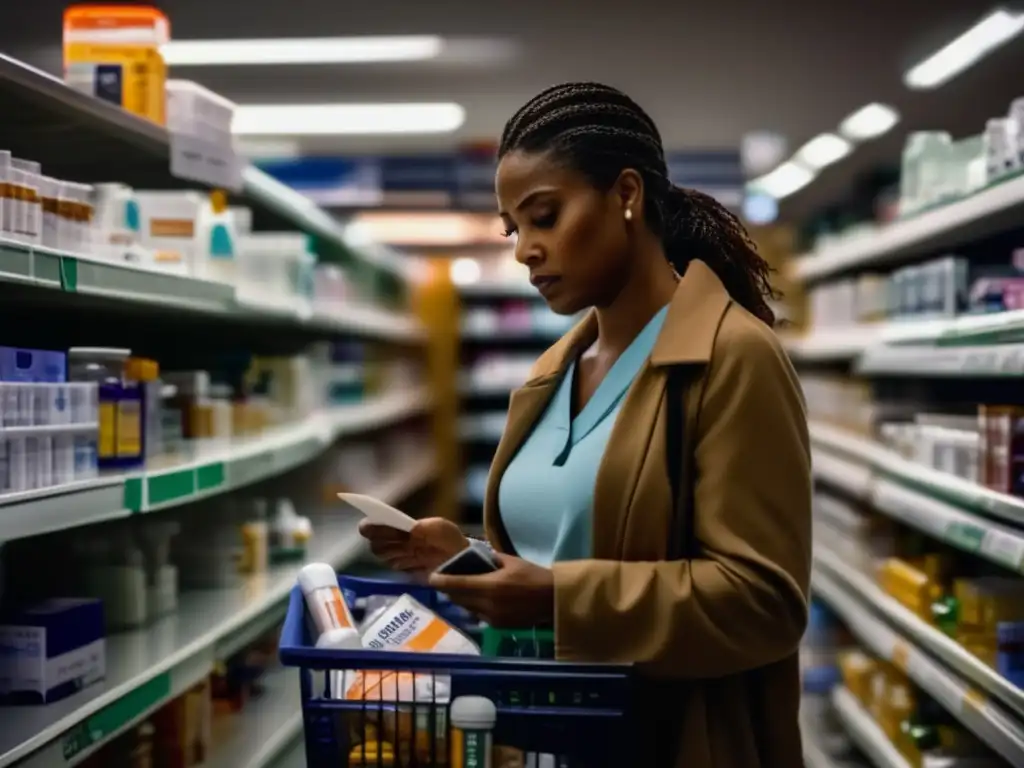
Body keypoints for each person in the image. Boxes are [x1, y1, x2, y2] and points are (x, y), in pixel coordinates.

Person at [359, 82, 811, 768]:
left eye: (545, 216)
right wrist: (471, 559)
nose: (524, 250)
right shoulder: (554, 368)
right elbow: (580, 542)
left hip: (670, 742)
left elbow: (764, 603)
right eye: (514, 228)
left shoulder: (732, 357)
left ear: (626, 194)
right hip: (542, 739)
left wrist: (557, 598)